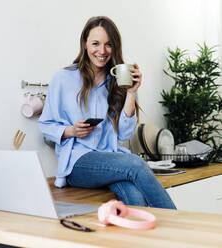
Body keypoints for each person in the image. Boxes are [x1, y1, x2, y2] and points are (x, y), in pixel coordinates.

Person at [38, 16, 176, 209]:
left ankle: (143, 238)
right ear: (85, 44)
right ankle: (176, 226)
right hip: (77, 163)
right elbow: (45, 125)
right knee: (135, 164)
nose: (102, 51)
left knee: (134, 195)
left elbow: (125, 134)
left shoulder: (119, 81)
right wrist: (72, 131)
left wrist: (131, 93)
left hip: (111, 160)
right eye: (95, 43)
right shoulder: (63, 79)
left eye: (108, 44)